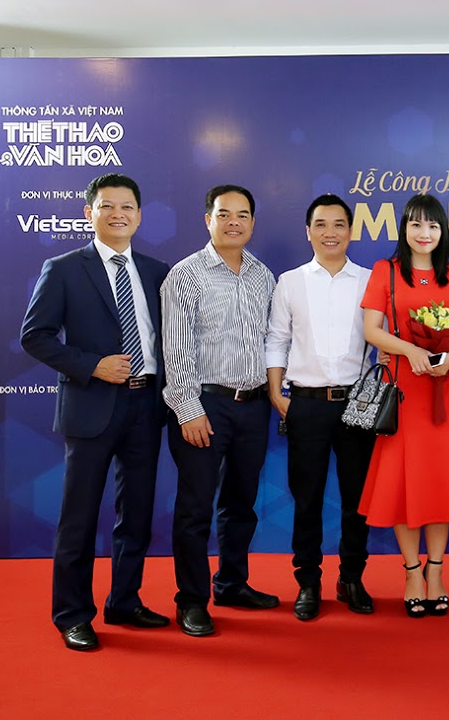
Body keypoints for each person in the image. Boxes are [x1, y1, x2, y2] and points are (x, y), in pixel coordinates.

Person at [21, 173, 171, 651]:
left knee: (137, 514)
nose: (118, 214)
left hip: (147, 405)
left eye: (127, 206)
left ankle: (124, 600)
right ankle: (73, 614)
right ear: (90, 213)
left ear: (139, 215)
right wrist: (92, 365)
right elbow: (35, 336)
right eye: (108, 206)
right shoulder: (64, 268)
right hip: (91, 406)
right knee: (79, 517)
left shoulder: (158, 272)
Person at [358, 193, 449, 618]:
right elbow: (372, 329)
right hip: (402, 391)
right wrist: (410, 350)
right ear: (405, 229)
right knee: (403, 481)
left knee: (439, 482)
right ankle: (412, 572)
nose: (424, 233)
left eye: (432, 225)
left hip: (444, 390)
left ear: (442, 230)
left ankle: (436, 571)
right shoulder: (387, 271)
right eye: (416, 224)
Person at [162, 184, 278, 637]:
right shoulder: (185, 275)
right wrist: (187, 408)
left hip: (253, 406)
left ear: (252, 222)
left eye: (243, 215)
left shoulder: (263, 276)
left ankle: (231, 583)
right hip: (204, 404)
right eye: (224, 214)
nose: (234, 222)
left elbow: (273, 340)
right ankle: (191, 601)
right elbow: (176, 348)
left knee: (240, 502)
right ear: (207, 219)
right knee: (195, 507)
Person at [266, 194, 376, 621]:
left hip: (357, 406)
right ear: (308, 231)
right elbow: (277, 339)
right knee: (307, 499)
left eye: (338, 224)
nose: (330, 233)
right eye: (321, 225)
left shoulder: (370, 281)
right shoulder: (290, 282)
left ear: (351, 231)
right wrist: (277, 394)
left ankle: (352, 578)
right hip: (306, 405)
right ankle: (308, 582)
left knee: (357, 500)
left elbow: (381, 342)